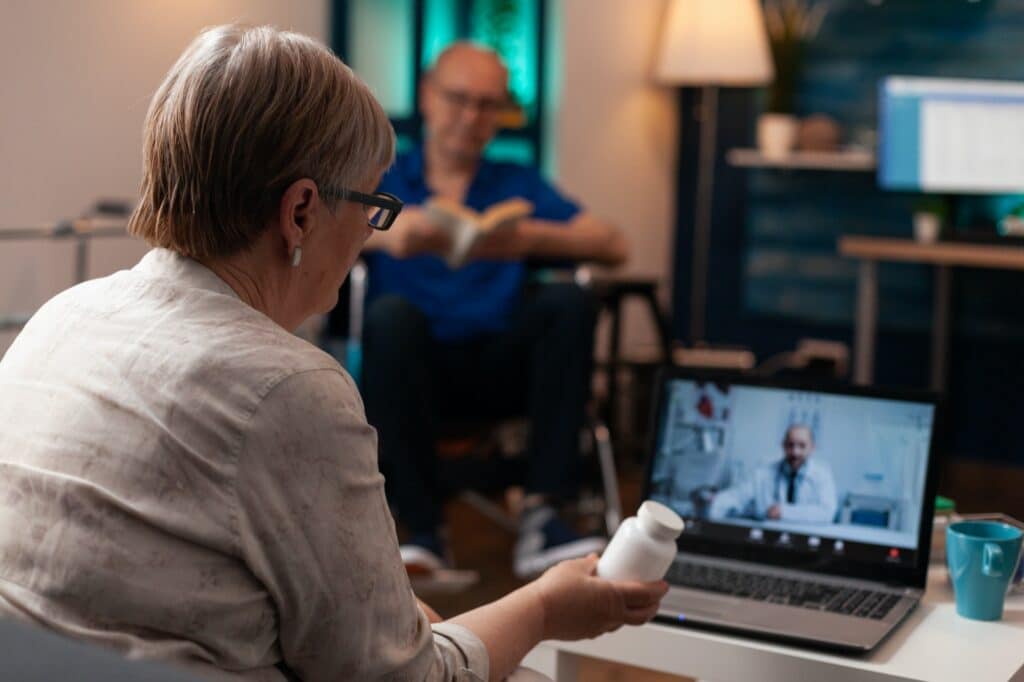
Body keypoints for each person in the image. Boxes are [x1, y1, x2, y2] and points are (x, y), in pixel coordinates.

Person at [0, 25, 666, 682]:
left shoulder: (61, 315)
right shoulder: (284, 387)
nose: (371, 230)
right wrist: (547, 607)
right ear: (300, 212)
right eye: (374, 205)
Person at [357, 42, 629, 580]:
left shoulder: (515, 184)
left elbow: (614, 244)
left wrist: (529, 236)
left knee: (568, 302)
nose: (472, 117)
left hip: (502, 367)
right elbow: (314, 221)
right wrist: (387, 234)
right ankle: (423, 531)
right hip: (413, 372)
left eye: (488, 105)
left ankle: (544, 515)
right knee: (389, 317)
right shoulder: (386, 177)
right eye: (459, 98)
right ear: (428, 97)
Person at [708, 425, 838, 524]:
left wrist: (784, 512)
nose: (795, 452)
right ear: (783, 445)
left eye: (802, 446)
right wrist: (712, 503)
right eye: (790, 445)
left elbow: (827, 512)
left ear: (812, 447)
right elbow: (737, 496)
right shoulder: (763, 472)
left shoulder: (823, 474)